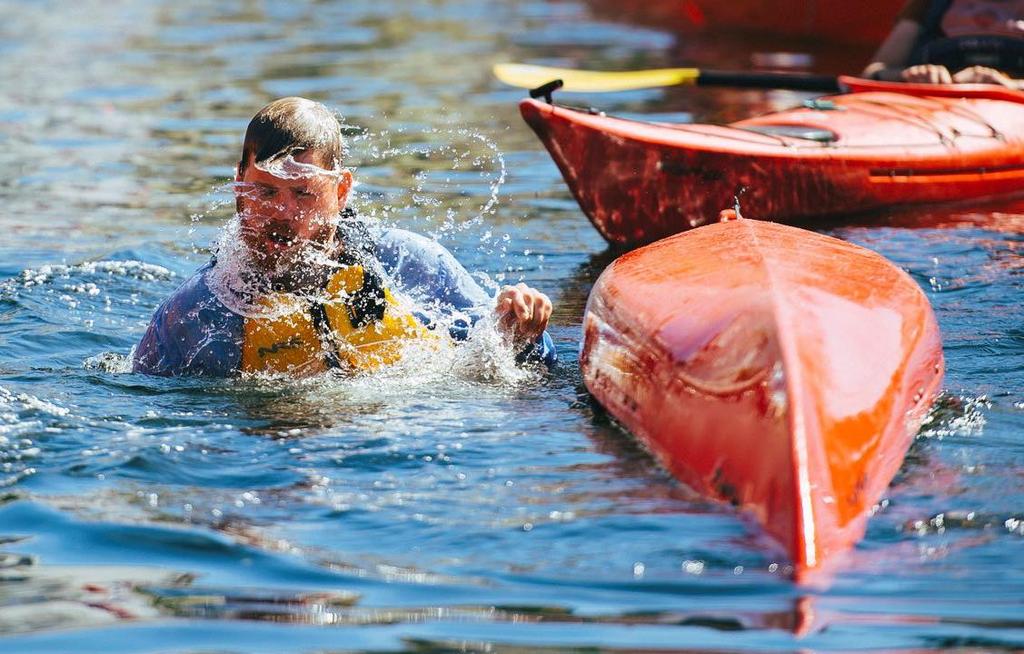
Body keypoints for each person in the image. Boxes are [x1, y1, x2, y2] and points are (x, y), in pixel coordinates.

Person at [133, 97, 555, 377]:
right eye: (264, 191)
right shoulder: (198, 316)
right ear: (238, 184)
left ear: (340, 190)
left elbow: (521, 366)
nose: (282, 213)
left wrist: (522, 331)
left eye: (302, 193)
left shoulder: (409, 264)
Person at [862, 0, 1024, 88]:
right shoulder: (930, 4)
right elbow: (872, 73)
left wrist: (1010, 85)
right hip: (931, 111)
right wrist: (908, 75)